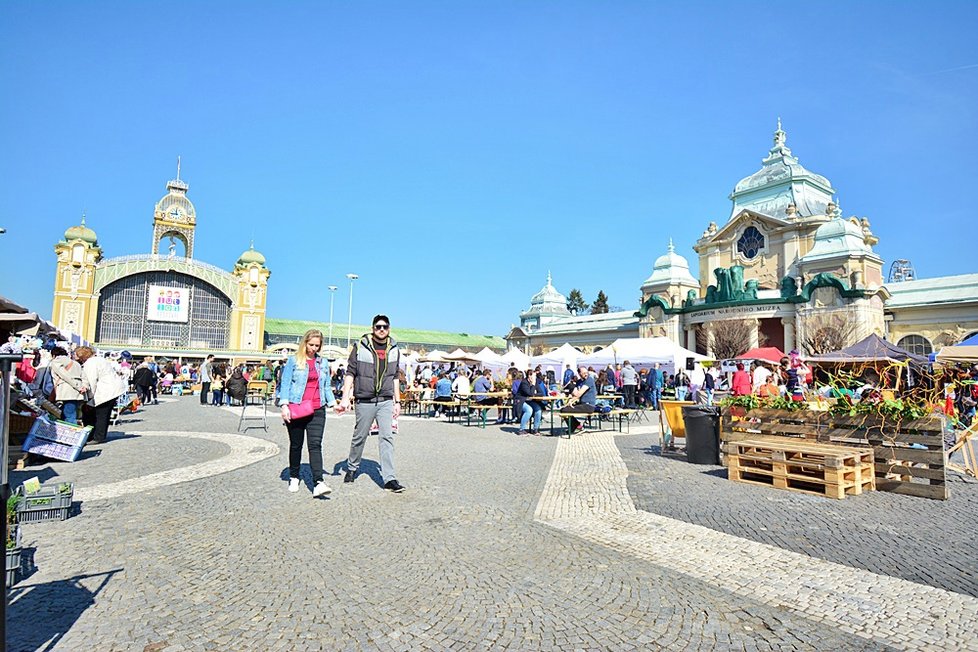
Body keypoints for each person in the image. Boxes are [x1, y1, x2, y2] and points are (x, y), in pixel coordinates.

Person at [337, 314, 404, 493]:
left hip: (385, 400)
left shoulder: (394, 348)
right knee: (360, 436)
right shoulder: (360, 346)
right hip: (364, 399)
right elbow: (350, 372)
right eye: (378, 327)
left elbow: (395, 376)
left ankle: (389, 478)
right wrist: (345, 397)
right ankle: (352, 467)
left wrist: (397, 401)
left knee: (387, 437)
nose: (382, 330)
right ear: (372, 328)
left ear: (389, 328)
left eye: (385, 326)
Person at [277, 329, 336, 497]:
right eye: (311, 345)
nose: (314, 349)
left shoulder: (323, 363)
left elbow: (325, 386)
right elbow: (285, 384)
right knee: (296, 445)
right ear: (305, 343)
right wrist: (284, 406)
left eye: (317, 345)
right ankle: (294, 476)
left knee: (315, 445)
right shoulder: (293, 361)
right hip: (297, 407)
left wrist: (333, 403)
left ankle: (318, 482)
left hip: (318, 409)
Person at [75, 346, 126, 444]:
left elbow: (91, 381)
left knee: (99, 414)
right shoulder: (99, 359)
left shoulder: (90, 364)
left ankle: (97, 437)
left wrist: (89, 399)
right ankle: (98, 435)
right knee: (103, 414)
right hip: (112, 389)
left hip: (105, 391)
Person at [49, 347, 87, 425]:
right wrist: (84, 387)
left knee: (69, 416)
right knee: (71, 414)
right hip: (78, 393)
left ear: (53, 355)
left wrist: (77, 386)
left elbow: (64, 375)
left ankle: (73, 434)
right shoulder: (75, 363)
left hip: (68, 392)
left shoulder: (56, 361)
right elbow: (84, 376)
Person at [560, 366, 598, 434]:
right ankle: (576, 426)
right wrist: (570, 401)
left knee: (564, 410)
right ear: (579, 374)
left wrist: (571, 398)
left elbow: (579, 394)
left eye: (586, 372)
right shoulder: (579, 382)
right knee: (563, 409)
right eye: (583, 373)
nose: (586, 374)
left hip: (589, 405)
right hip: (582, 404)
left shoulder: (589, 380)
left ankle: (577, 426)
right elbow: (575, 395)